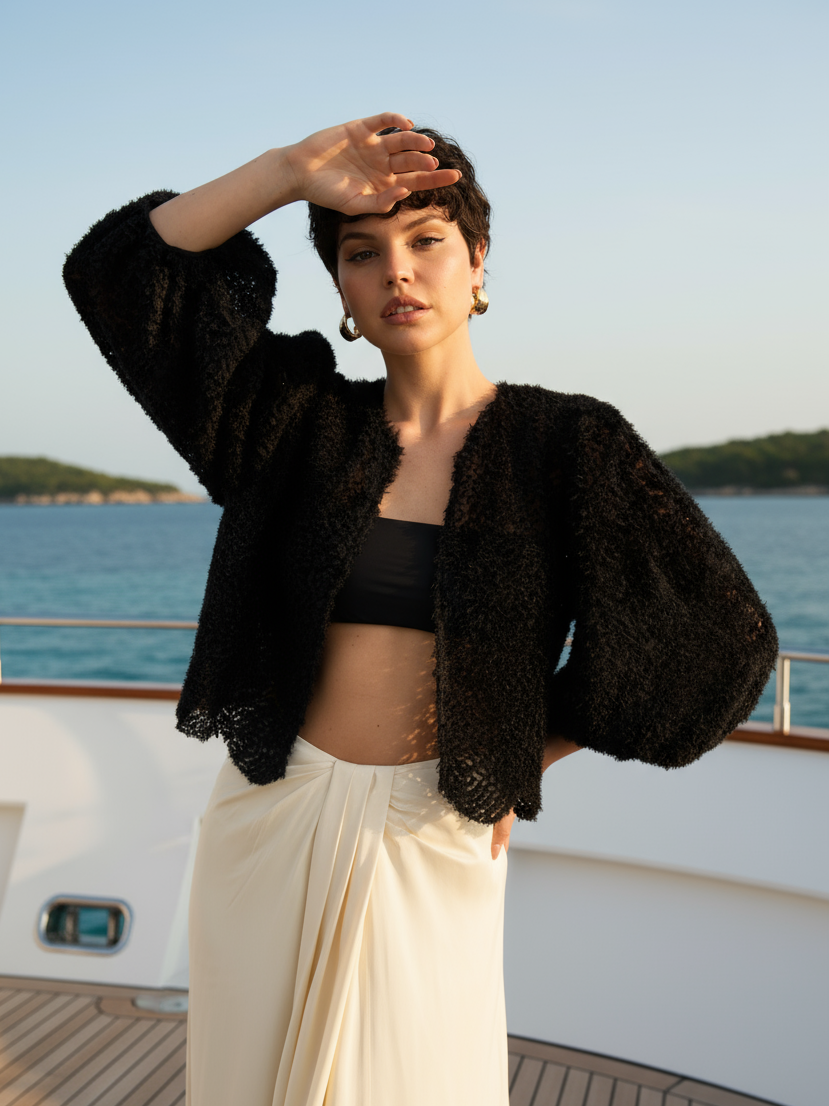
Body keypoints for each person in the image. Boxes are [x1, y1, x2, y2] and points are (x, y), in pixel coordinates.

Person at [63, 112, 778, 1106]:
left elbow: (720, 636)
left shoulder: (566, 444)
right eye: (362, 252)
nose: (396, 270)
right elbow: (119, 273)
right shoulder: (290, 422)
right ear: (342, 291)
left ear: (478, 263)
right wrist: (287, 172)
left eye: (425, 240)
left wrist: (525, 748)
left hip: (434, 828)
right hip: (268, 816)